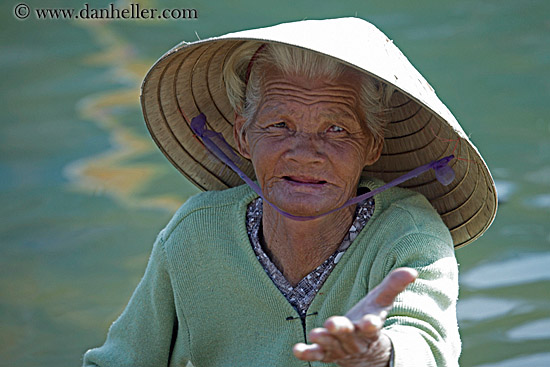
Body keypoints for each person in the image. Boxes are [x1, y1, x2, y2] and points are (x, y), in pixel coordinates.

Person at [83, 17, 497, 366]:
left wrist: (377, 354)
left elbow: (424, 343)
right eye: (280, 126)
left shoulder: (408, 235)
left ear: (372, 145)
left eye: (336, 129)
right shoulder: (194, 234)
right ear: (243, 137)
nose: (306, 154)